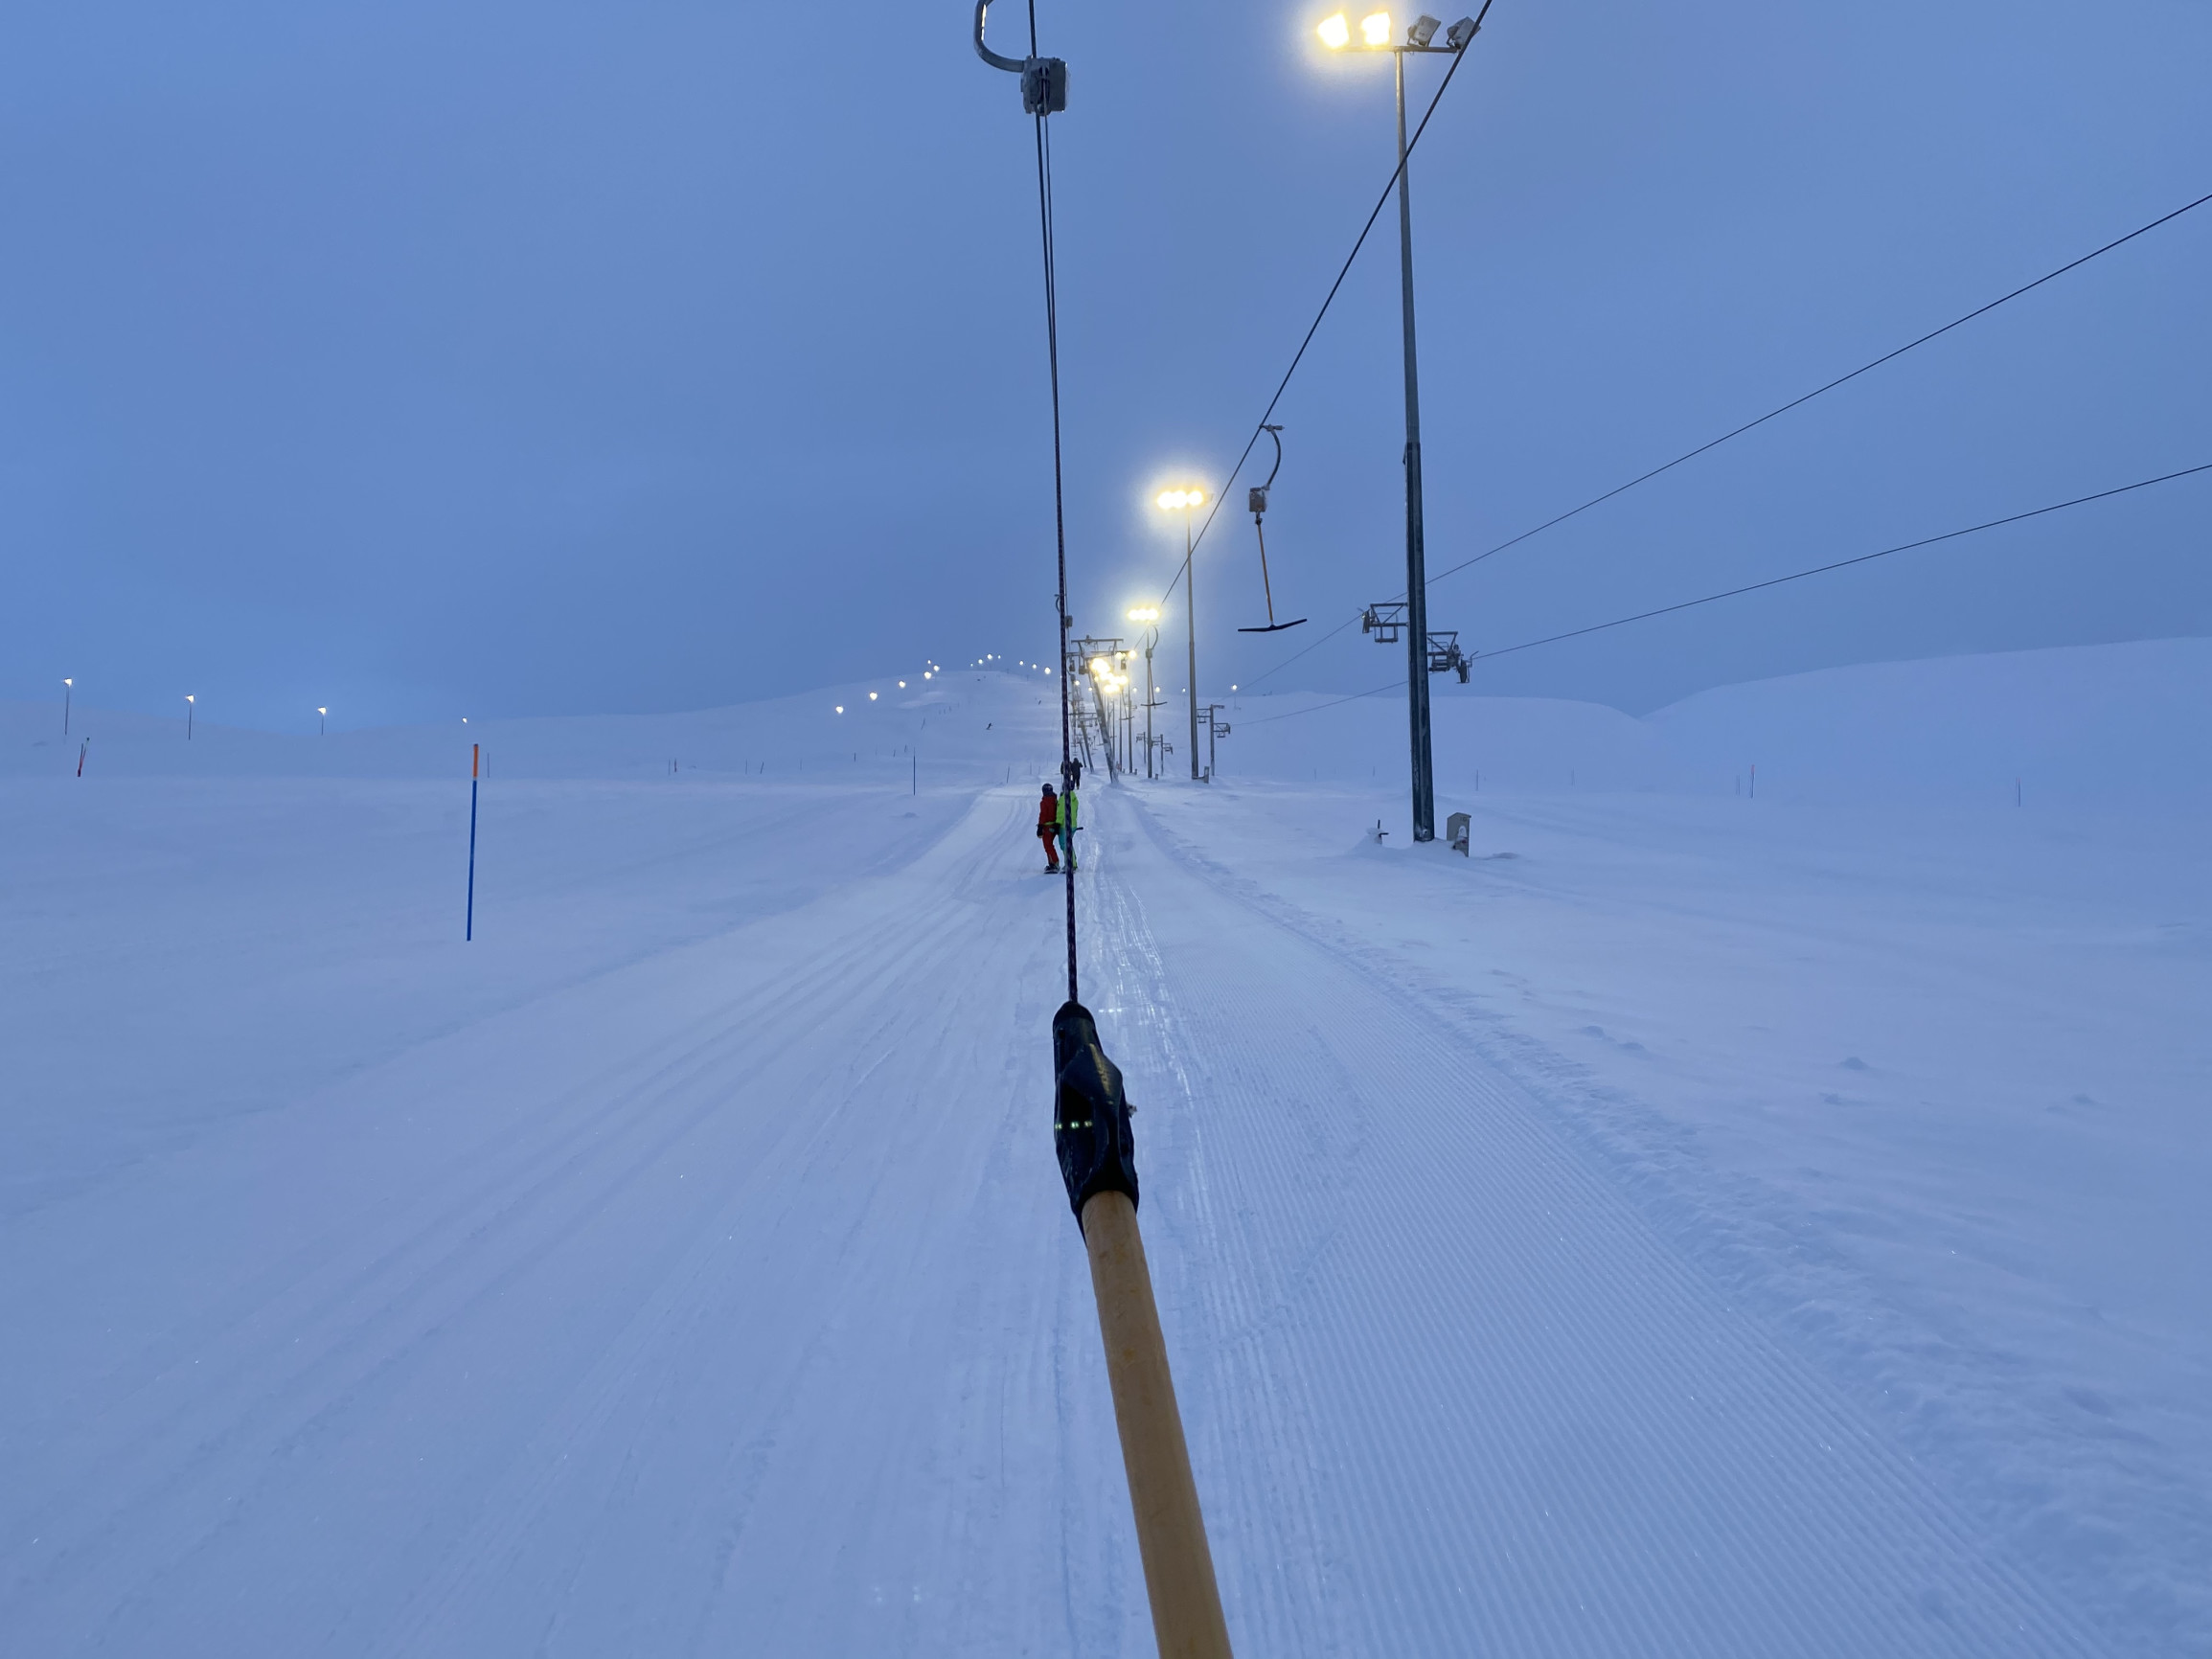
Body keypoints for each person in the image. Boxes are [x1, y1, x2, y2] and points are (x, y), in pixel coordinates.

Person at [1056, 773, 1080, 872]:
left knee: (1064, 844)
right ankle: (1071, 862)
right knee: (1068, 843)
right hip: (1072, 824)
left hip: (1064, 825)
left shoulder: (1064, 798)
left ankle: (1071, 864)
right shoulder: (1074, 798)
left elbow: (1061, 812)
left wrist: (1057, 823)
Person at [1037, 784, 1061, 872]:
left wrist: (1040, 826)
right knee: (1049, 845)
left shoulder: (1045, 802)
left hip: (1047, 826)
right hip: (1054, 824)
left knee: (1048, 845)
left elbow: (1043, 814)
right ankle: (1052, 863)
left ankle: (1054, 863)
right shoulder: (1054, 800)